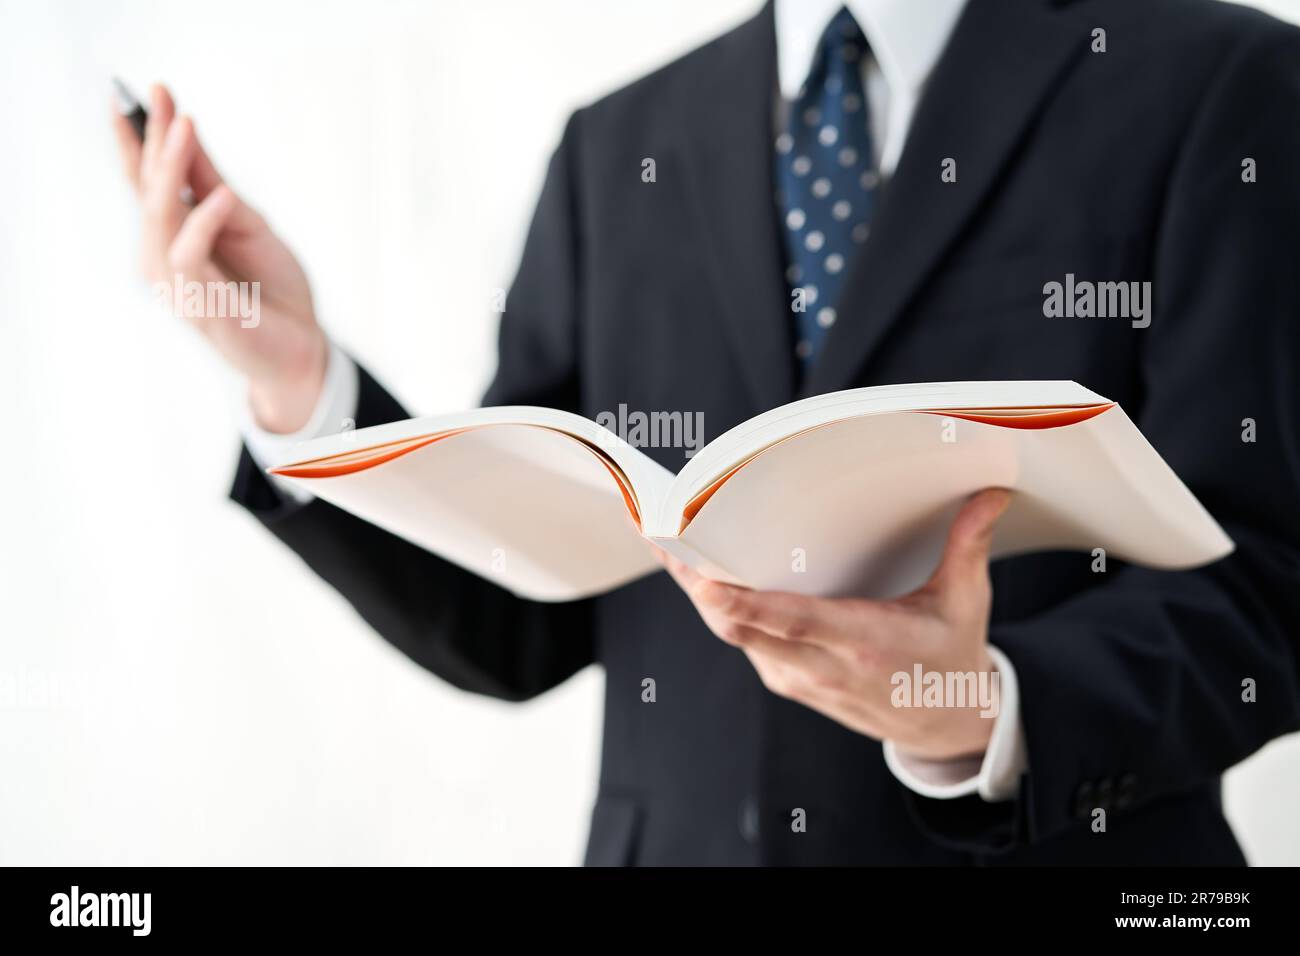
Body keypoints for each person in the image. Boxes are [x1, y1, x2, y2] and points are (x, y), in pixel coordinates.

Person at [113, 0, 1300, 865]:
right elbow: (518, 611)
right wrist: (303, 382)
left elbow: (1272, 583)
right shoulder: (611, 144)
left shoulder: (1221, 83)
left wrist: (979, 705)